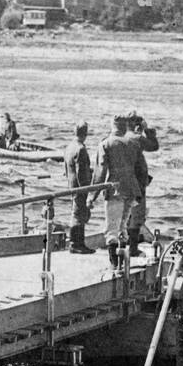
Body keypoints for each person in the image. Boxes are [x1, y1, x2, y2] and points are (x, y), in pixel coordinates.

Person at [89, 115, 145, 273]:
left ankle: (114, 264)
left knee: (111, 229)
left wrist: (91, 196)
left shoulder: (106, 143)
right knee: (122, 228)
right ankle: (121, 262)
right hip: (132, 191)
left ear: (112, 126)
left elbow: (100, 173)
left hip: (115, 190)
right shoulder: (133, 143)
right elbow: (141, 170)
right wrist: (139, 190)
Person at [122, 111, 159, 258]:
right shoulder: (137, 138)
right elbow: (154, 146)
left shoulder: (122, 137)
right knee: (137, 216)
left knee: (126, 214)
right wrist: (147, 130)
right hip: (138, 183)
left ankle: (125, 244)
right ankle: (132, 249)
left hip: (125, 182)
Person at [62, 121, 94, 254]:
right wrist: (86, 190)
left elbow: (66, 168)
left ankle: (76, 243)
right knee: (79, 215)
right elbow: (82, 172)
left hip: (71, 184)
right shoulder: (80, 149)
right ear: (85, 133)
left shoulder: (69, 147)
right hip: (80, 186)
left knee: (76, 213)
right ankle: (76, 244)